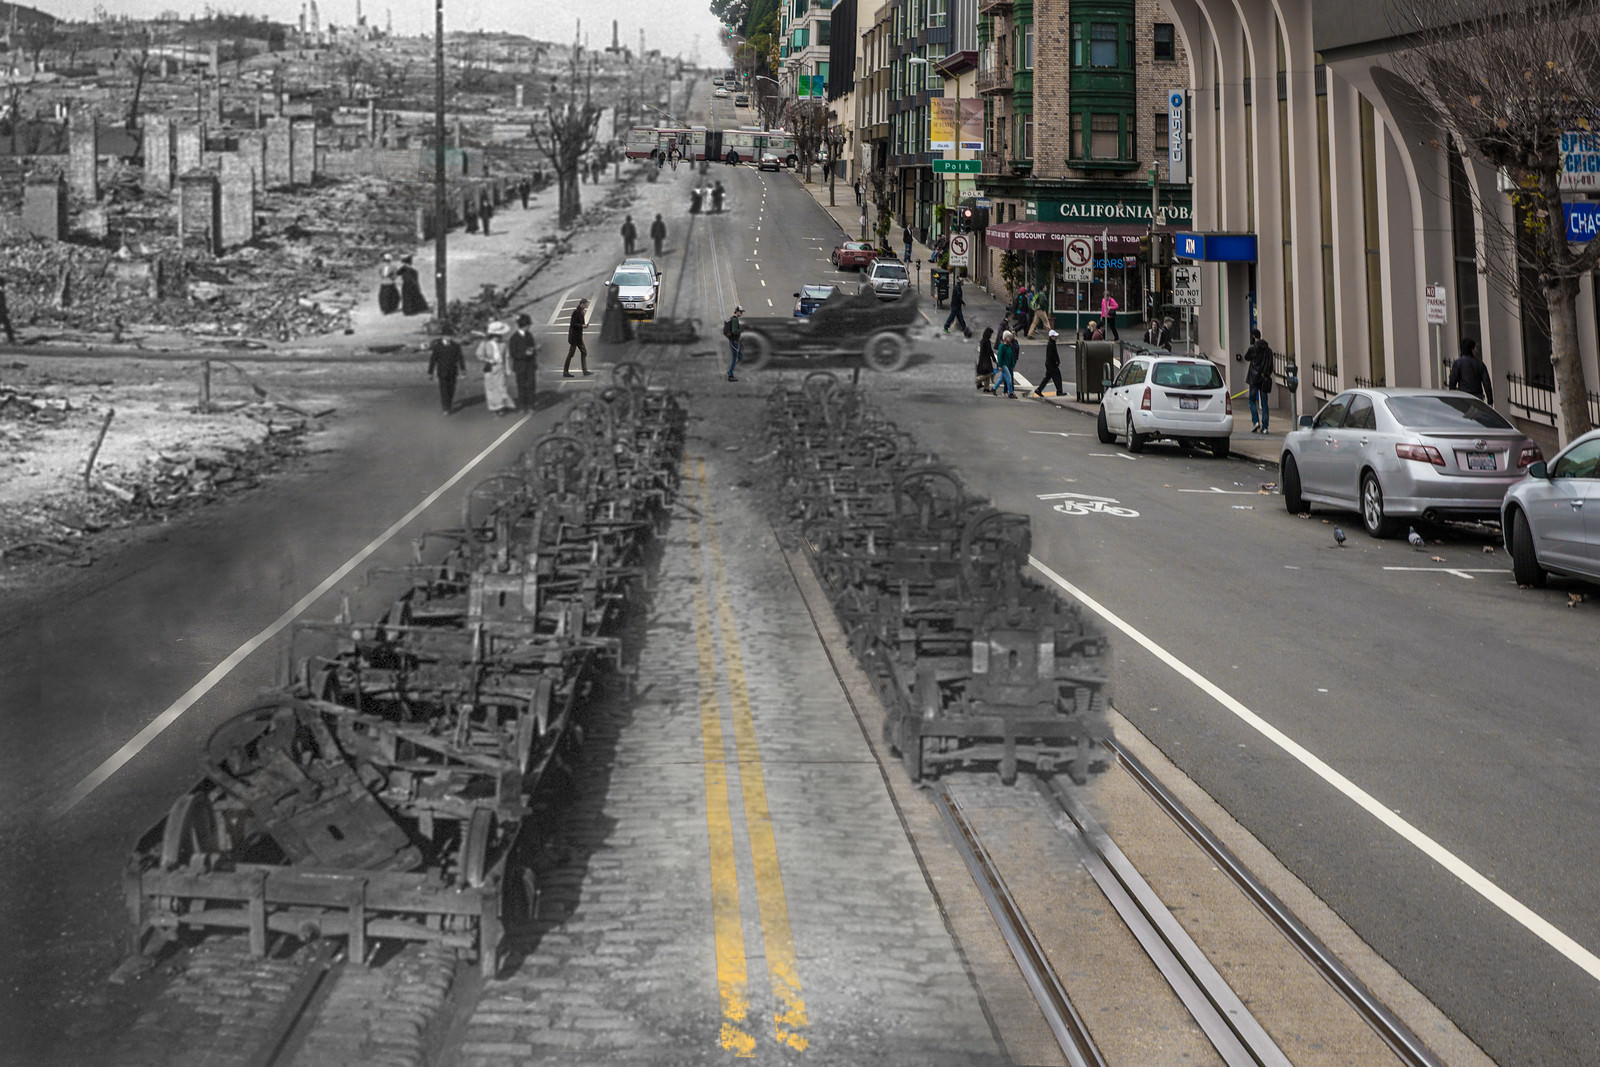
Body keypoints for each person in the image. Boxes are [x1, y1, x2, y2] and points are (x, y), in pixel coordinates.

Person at [478, 321, 516, 415]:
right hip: (490, 368)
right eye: (497, 336)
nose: (499, 337)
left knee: (502, 386)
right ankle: (496, 407)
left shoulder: (503, 344)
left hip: (500, 367)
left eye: (500, 336)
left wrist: (508, 368)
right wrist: (488, 360)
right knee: (491, 388)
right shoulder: (485, 344)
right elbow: (479, 355)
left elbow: (506, 356)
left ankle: (502, 405)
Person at [426, 325, 465, 414]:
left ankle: (449, 403)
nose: (449, 337)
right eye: (447, 335)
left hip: (453, 371)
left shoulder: (456, 346)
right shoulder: (438, 346)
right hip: (442, 371)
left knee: (451, 389)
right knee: (443, 390)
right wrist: (430, 372)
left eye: (450, 336)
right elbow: (433, 359)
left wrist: (463, 370)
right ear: (443, 336)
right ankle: (446, 408)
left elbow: (460, 358)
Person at [1245, 329, 1274, 433]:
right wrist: (1266, 374)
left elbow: (1246, 357)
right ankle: (1265, 427)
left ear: (1253, 336)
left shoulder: (1253, 348)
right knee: (1264, 403)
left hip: (1254, 378)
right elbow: (1271, 366)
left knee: (1252, 400)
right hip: (1264, 379)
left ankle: (1256, 421)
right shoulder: (1268, 350)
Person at [1449, 336, 1493, 404]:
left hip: (1463, 396)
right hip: (1478, 397)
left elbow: (1452, 381)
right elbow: (1487, 382)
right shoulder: (1480, 363)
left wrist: (1453, 397)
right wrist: (1490, 400)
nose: (1476, 350)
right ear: (1471, 349)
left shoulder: (1458, 363)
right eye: (1475, 348)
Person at [509, 313, 538, 410]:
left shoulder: (529, 335)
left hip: (530, 365)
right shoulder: (514, 338)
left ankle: (531, 404)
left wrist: (534, 350)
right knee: (521, 386)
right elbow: (513, 353)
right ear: (524, 326)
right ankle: (522, 405)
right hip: (520, 366)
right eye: (528, 325)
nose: (529, 327)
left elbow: (531, 347)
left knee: (531, 385)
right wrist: (525, 354)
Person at [564, 298, 591, 377]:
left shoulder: (581, 312)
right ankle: (565, 371)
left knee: (584, 352)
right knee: (571, 354)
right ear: (582, 304)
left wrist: (584, 325)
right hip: (574, 337)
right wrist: (582, 326)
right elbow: (573, 324)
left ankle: (585, 370)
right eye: (585, 305)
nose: (586, 306)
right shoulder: (576, 312)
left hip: (578, 337)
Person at [943, 273, 972, 338]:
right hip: (955, 305)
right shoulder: (957, 288)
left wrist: (961, 303)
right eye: (962, 282)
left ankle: (964, 328)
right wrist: (963, 302)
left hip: (957, 305)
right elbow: (959, 297)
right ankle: (946, 327)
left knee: (960, 317)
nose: (963, 283)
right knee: (952, 317)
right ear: (960, 282)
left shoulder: (957, 287)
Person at [992, 330, 1019, 398]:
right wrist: (1000, 365)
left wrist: (1012, 365)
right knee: (1009, 378)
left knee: (1002, 379)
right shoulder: (1002, 346)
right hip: (1003, 365)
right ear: (1005, 338)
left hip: (1007, 364)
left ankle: (994, 388)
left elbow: (1011, 356)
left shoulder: (1009, 346)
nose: (1010, 338)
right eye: (1009, 337)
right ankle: (1010, 393)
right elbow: (1000, 356)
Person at [724, 304, 744, 381]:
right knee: (735, 358)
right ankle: (730, 375)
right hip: (734, 341)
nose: (742, 314)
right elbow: (734, 331)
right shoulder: (735, 319)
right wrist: (741, 330)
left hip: (734, 341)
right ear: (737, 312)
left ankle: (730, 370)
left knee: (740, 356)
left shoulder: (732, 318)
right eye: (741, 312)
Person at [975, 327, 996, 392]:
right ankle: (977, 380)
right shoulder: (987, 341)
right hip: (986, 360)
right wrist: (994, 359)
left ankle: (986, 388)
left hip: (982, 359)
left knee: (986, 372)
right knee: (988, 373)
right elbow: (990, 351)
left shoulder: (982, 341)